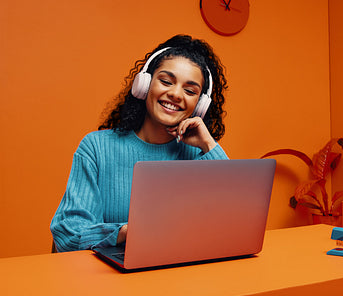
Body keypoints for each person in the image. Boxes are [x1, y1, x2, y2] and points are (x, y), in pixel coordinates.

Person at [50, 34, 229, 252]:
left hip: (180, 276)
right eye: (165, 81)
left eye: (190, 91)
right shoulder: (96, 147)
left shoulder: (198, 155)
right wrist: (127, 232)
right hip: (109, 278)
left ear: (200, 105)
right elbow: (68, 233)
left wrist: (209, 145)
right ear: (144, 85)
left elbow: (233, 223)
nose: (175, 94)